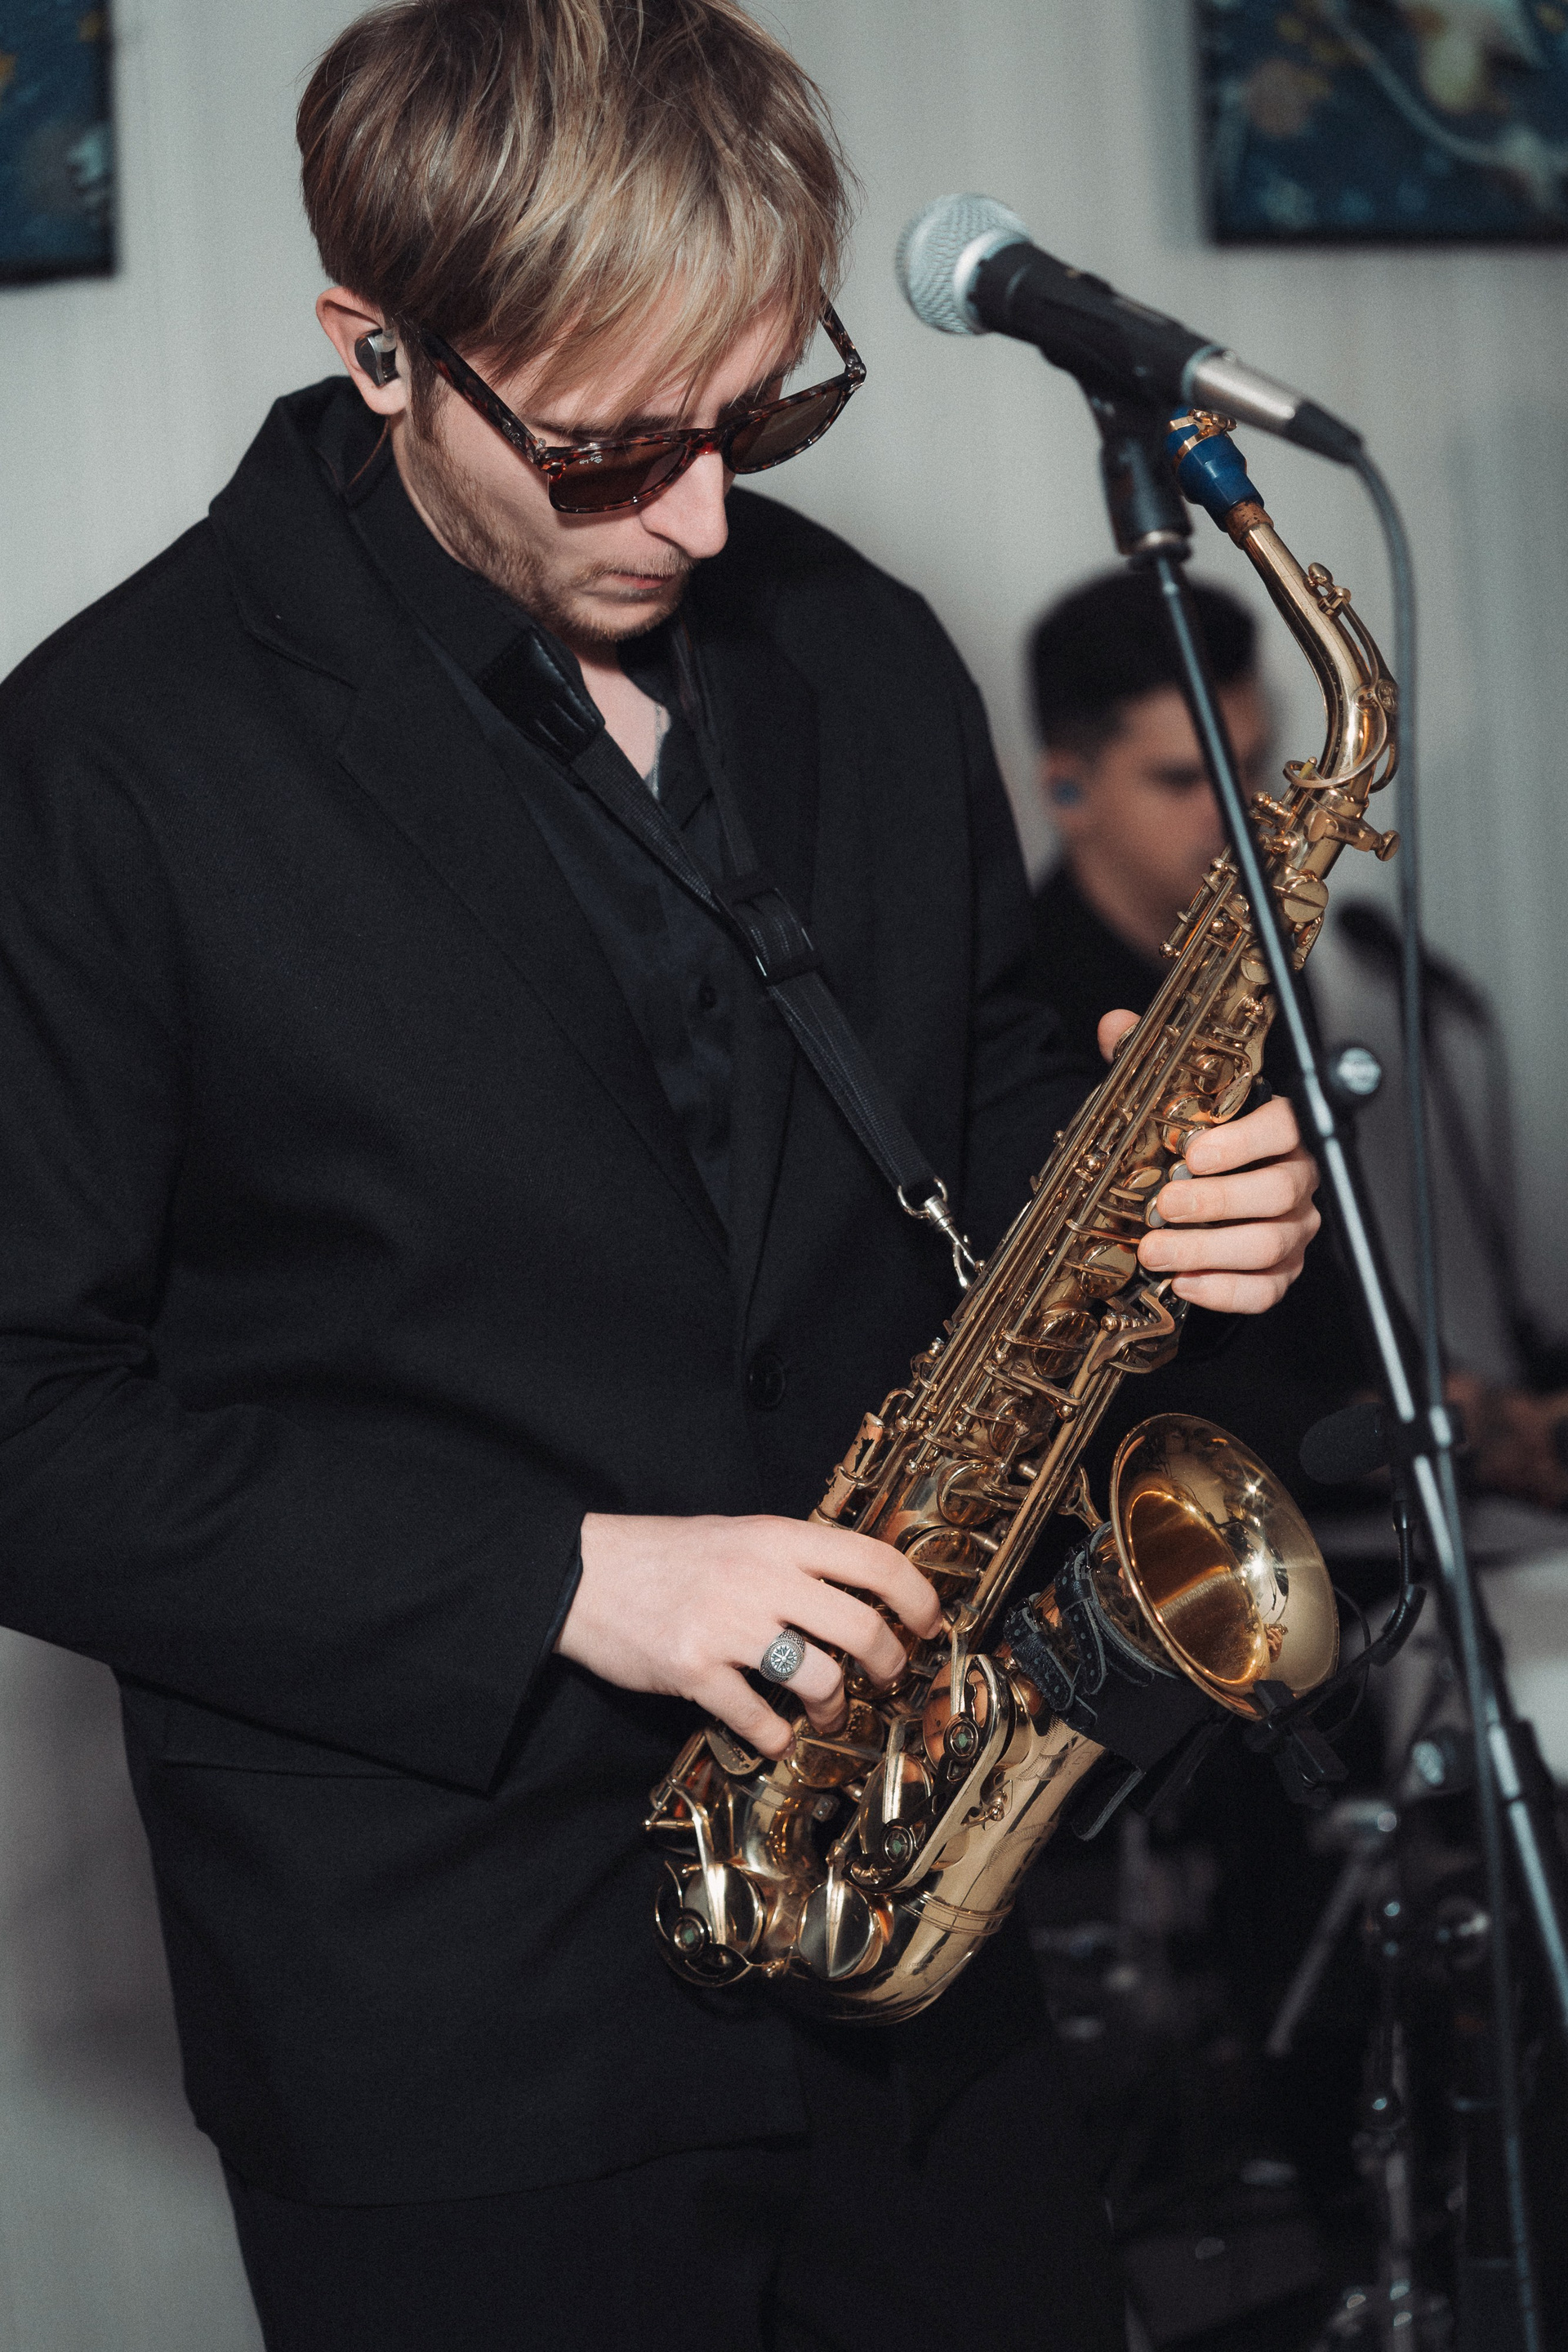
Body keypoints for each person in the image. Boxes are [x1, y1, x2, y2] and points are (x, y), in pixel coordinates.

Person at [0, 7, 1322, 2346]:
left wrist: (1178, 1205)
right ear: (379, 348)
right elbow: (27, 1422)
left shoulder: (861, 651)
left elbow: (983, 1104)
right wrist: (566, 1579)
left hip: (917, 1940)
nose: (706, 519)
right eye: (613, 449)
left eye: (758, 418)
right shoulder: (107, 760)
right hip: (452, 2018)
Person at [1023, 568, 1568, 1513]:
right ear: (1066, 788)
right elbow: (1094, 1374)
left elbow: (1332, 1260)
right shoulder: (1019, 1010)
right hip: (1161, 1505)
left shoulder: (1267, 963)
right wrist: (1385, 1429)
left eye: (1250, 766)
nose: (1237, 812)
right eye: (1183, 778)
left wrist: (1458, 1406)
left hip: (1328, 1484)